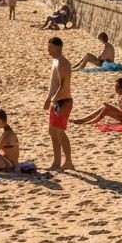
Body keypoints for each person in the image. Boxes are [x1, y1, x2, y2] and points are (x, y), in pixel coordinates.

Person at [44, 37, 74, 170]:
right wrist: (48, 98)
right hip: (56, 101)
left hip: (63, 101)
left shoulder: (63, 63)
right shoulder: (55, 61)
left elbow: (63, 86)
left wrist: (53, 99)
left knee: (60, 132)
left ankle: (68, 162)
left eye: (50, 48)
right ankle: (56, 162)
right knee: (52, 131)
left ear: (58, 47)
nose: (48, 50)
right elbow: (54, 84)